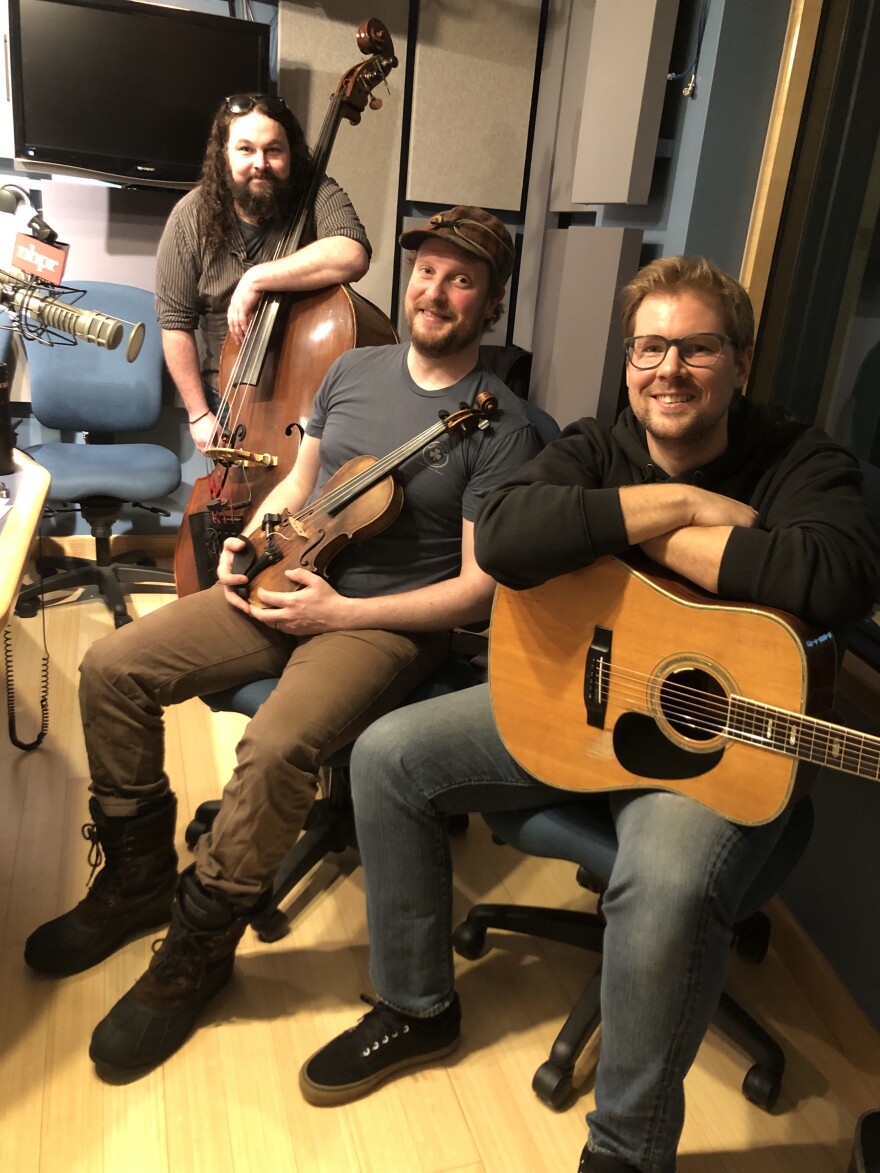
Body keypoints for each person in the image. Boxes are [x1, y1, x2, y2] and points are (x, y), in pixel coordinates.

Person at [298, 256, 880, 1173]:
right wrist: (681, 504)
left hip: (711, 746)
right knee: (385, 757)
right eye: (650, 347)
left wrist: (619, 526)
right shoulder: (593, 443)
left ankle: (626, 1149)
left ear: (741, 360)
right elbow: (508, 536)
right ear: (628, 360)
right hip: (576, 704)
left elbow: (830, 575)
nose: (670, 369)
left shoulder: (803, 461)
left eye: (698, 347)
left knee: (666, 885)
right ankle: (416, 1006)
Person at [23, 206, 543, 1080]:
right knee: (111, 665)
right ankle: (138, 875)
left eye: (462, 279)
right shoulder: (352, 369)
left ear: (490, 302)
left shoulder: (503, 425)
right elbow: (298, 484)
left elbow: (475, 591)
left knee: (273, 747)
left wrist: (340, 615)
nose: (436, 290)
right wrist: (248, 544)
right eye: (427, 270)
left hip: (379, 624)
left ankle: (199, 943)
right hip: (283, 577)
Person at [155, 92, 371, 454]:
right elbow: (175, 323)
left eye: (274, 150)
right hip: (226, 399)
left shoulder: (316, 192)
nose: (261, 163)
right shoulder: (189, 217)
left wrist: (258, 277)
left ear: (291, 155)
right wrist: (197, 414)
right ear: (224, 155)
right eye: (246, 150)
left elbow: (353, 254)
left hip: (305, 400)